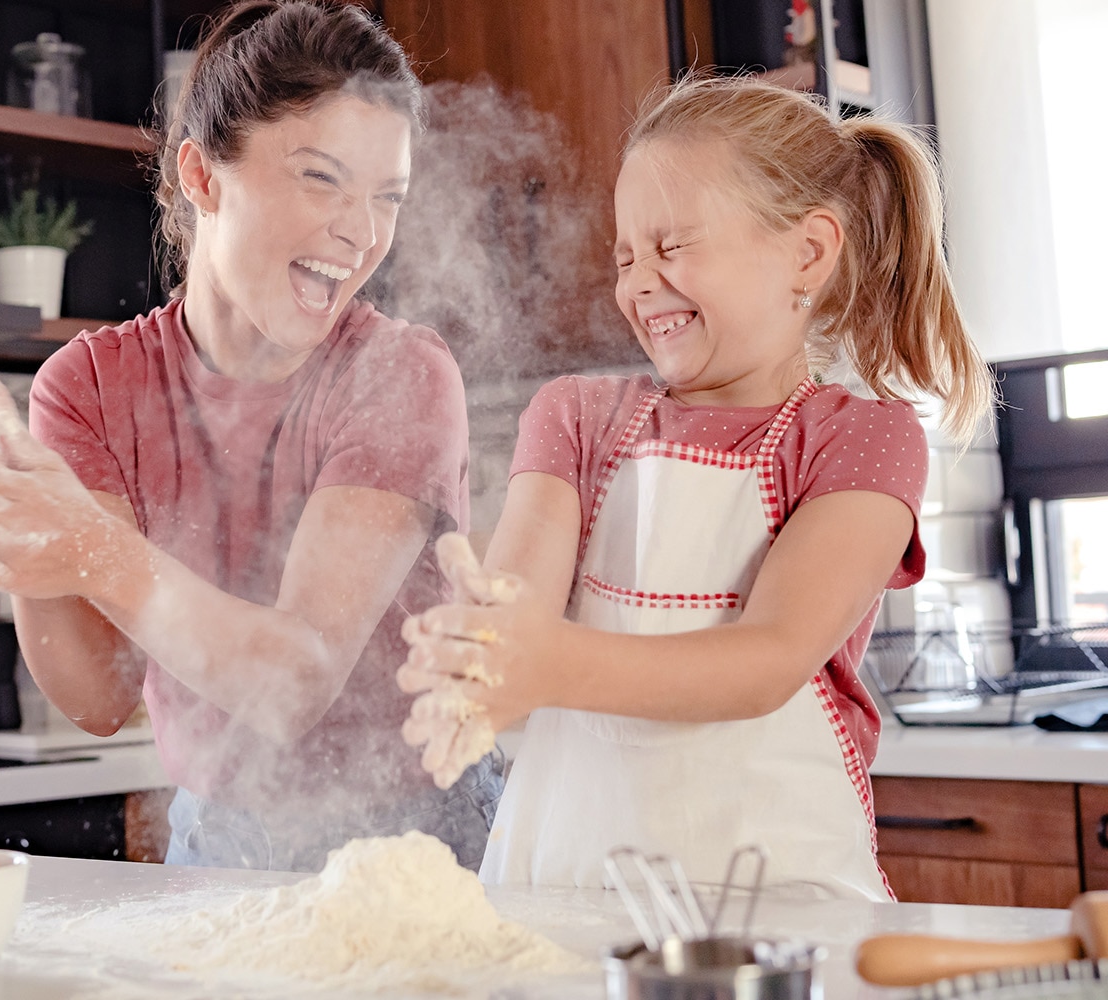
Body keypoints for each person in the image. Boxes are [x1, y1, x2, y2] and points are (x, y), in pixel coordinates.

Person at [0, 0, 499, 872]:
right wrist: (28, 544)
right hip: (217, 839)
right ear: (202, 176)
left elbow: (294, 682)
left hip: (423, 843)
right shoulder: (90, 388)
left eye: (388, 196)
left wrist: (87, 546)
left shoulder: (401, 375)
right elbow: (100, 698)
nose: (362, 230)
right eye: (320, 177)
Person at [397, 76, 994, 899]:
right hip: (568, 907)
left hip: (781, 917)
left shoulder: (861, 439)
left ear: (808, 254)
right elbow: (517, 624)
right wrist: (478, 669)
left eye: (672, 247)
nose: (638, 283)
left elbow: (768, 660)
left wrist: (544, 662)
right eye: (626, 256)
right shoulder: (573, 418)